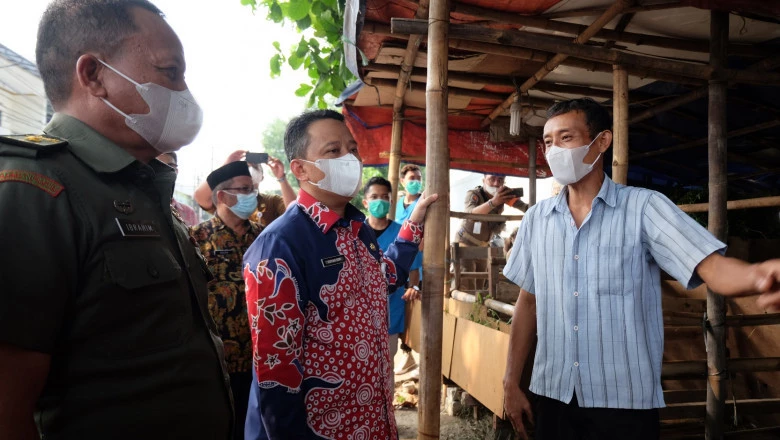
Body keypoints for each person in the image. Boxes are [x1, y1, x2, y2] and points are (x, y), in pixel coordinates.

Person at [0, 1, 232, 438]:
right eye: (170, 71)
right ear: (94, 75)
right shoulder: (34, 189)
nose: (184, 91)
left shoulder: (140, 188)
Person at [502, 97, 780, 440]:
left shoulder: (644, 208)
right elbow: (528, 302)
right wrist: (511, 381)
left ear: (601, 142)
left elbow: (712, 267)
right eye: (548, 141)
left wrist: (759, 274)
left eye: (566, 138)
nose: (554, 150)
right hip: (553, 394)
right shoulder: (535, 220)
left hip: (624, 403)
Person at [242, 109, 437, 440]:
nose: (350, 159)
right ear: (300, 169)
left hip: (372, 425)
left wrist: (413, 223)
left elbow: (386, 276)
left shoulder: (356, 231)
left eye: (353, 149)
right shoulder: (279, 246)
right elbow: (276, 375)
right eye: (333, 151)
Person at [191, 161, 262, 440]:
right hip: (217, 361)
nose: (252, 195)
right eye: (244, 189)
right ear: (221, 196)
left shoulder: (264, 236)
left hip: (262, 356)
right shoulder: (197, 238)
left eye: (253, 189)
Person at [362, 176, 422, 374]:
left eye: (384, 197)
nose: (379, 201)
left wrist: (413, 287)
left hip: (391, 307)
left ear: (391, 201)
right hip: (359, 312)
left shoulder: (401, 233)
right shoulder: (354, 233)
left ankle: (387, 405)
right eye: (374, 197)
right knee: (361, 367)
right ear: (365, 202)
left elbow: (413, 269)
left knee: (386, 366)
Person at [194, 150, 296, 227]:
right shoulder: (226, 200)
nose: (248, 170)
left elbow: (295, 213)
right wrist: (224, 168)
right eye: (244, 167)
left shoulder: (271, 202)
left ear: (261, 176)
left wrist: (281, 178)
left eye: (254, 167)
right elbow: (200, 197)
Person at [157, 152, 199, 226]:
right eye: (159, 167)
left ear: (176, 171)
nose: (165, 172)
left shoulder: (189, 212)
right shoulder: (140, 208)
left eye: (170, 167)